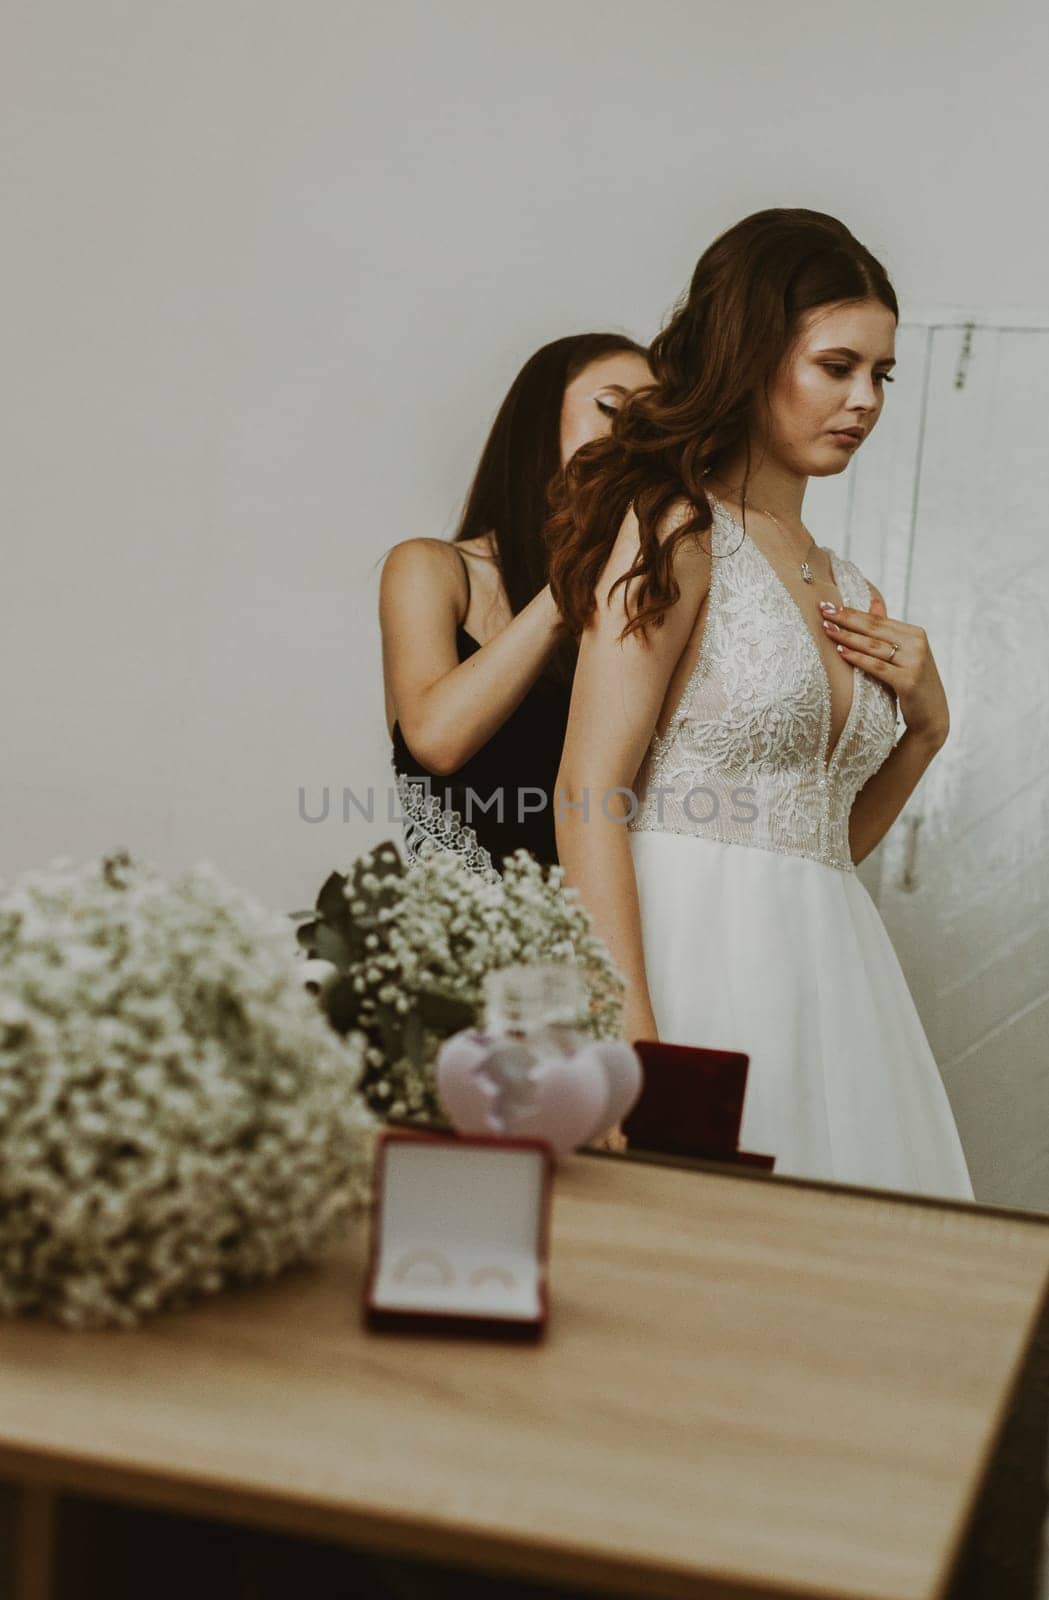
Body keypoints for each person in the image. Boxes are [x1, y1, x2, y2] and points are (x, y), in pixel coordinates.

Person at [546, 209, 973, 1198]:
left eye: (881, 374)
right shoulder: (677, 531)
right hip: (685, 949)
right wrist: (622, 1023)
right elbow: (584, 789)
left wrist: (925, 731)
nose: (863, 399)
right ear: (748, 358)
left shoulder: (848, 583)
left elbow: (822, 841)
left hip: (830, 971)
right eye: (835, 366)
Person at [380, 333, 653, 873]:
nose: (633, 440)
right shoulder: (430, 568)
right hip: (459, 934)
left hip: (594, 929)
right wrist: (572, 578)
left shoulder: (632, 600)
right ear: (537, 419)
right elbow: (437, 742)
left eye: (652, 428)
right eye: (611, 408)